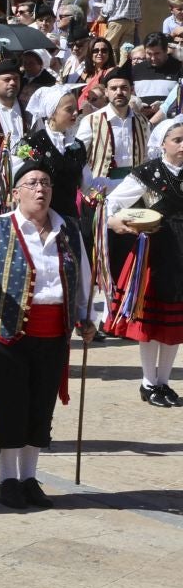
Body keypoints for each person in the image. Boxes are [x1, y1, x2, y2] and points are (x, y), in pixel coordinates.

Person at [0, 157, 94, 510]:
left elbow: (83, 277)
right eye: (32, 184)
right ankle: (7, 478)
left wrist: (86, 317)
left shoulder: (68, 229)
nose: (41, 190)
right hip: (2, 334)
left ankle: (29, 478)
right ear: (15, 193)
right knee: (11, 406)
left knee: (41, 406)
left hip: (52, 333)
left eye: (46, 184)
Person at [103, 116, 183, 406]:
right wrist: (116, 222)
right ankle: (149, 382)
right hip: (155, 253)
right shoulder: (148, 172)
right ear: (162, 143)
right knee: (151, 322)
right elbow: (113, 202)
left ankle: (164, 382)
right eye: (177, 140)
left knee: (174, 323)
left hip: (181, 254)